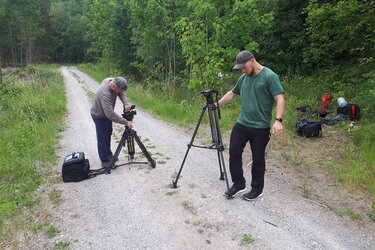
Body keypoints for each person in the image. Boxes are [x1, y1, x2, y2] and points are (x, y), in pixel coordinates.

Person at [218, 50, 285, 201]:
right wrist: (217, 104)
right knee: (234, 151)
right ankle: (239, 184)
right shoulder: (244, 78)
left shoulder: (269, 76)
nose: (243, 70)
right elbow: (232, 94)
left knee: (257, 157)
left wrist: (278, 120)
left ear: (252, 61)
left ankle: (257, 188)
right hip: (242, 123)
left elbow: (279, 98)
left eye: (244, 67)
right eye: (240, 68)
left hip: (260, 127)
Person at [91, 77, 133, 168]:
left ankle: (109, 154)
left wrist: (125, 103)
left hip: (106, 114)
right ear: (114, 87)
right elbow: (110, 115)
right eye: (119, 91)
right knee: (102, 137)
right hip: (99, 115)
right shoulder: (105, 93)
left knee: (108, 133)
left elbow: (121, 93)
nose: (121, 93)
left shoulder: (113, 81)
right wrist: (126, 122)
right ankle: (105, 160)